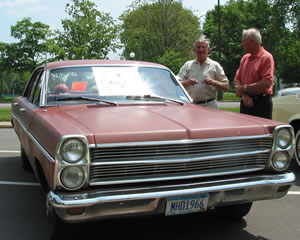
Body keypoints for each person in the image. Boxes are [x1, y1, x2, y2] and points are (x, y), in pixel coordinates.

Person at [177, 37, 229, 109]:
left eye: (203, 47)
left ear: (208, 49)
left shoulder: (215, 65)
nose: (201, 49)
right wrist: (188, 82)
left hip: (210, 105)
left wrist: (213, 82)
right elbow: (176, 83)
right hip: (191, 105)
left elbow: (226, 86)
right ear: (195, 50)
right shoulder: (187, 65)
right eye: (198, 47)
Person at [234, 28, 274, 119]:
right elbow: (237, 79)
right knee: (244, 131)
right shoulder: (245, 58)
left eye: (244, 41)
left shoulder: (266, 57)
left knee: (261, 131)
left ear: (253, 42)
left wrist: (245, 88)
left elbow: (267, 83)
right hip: (245, 102)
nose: (242, 44)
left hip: (261, 103)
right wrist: (244, 95)